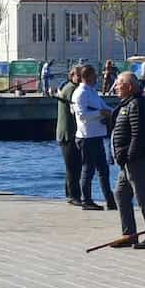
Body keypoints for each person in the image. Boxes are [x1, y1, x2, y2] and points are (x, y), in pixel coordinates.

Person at [110, 72, 145, 248]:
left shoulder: (136, 104)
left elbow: (138, 134)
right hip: (128, 162)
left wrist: (129, 156)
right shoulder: (129, 103)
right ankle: (129, 234)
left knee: (142, 196)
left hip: (138, 160)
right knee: (121, 193)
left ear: (129, 86)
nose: (115, 87)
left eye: (119, 84)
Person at [71, 64, 115, 212]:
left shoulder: (92, 92)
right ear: (88, 76)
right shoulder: (80, 93)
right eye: (94, 75)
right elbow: (82, 115)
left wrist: (115, 113)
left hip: (97, 135)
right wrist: (100, 113)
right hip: (86, 136)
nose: (97, 78)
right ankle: (86, 200)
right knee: (88, 169)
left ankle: (110, 200)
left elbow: (104, 106)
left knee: (104, 170)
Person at [55, 66, 83, 206]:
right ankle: (74, 196)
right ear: (71, 76)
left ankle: (71, 194)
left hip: (65, 133)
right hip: (69, 134)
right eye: (78, 75)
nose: (80, 78)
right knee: (74, 167)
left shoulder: (66, 87)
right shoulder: (72, 90)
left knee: (71, 167)